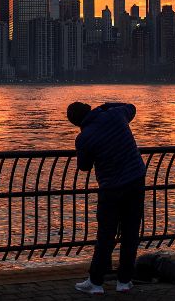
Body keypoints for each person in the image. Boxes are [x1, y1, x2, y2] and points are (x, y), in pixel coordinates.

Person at [67, 101, 146, 295]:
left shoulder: (83, 137)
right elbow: (132, 107)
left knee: (106, 235)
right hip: (135, 180)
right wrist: (106, 105)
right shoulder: (116, 114)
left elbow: (84, 166)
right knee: (130, 232)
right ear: (91, 108)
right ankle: (124, 281)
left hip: (111, 188)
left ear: (76, 122)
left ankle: (96, 283)